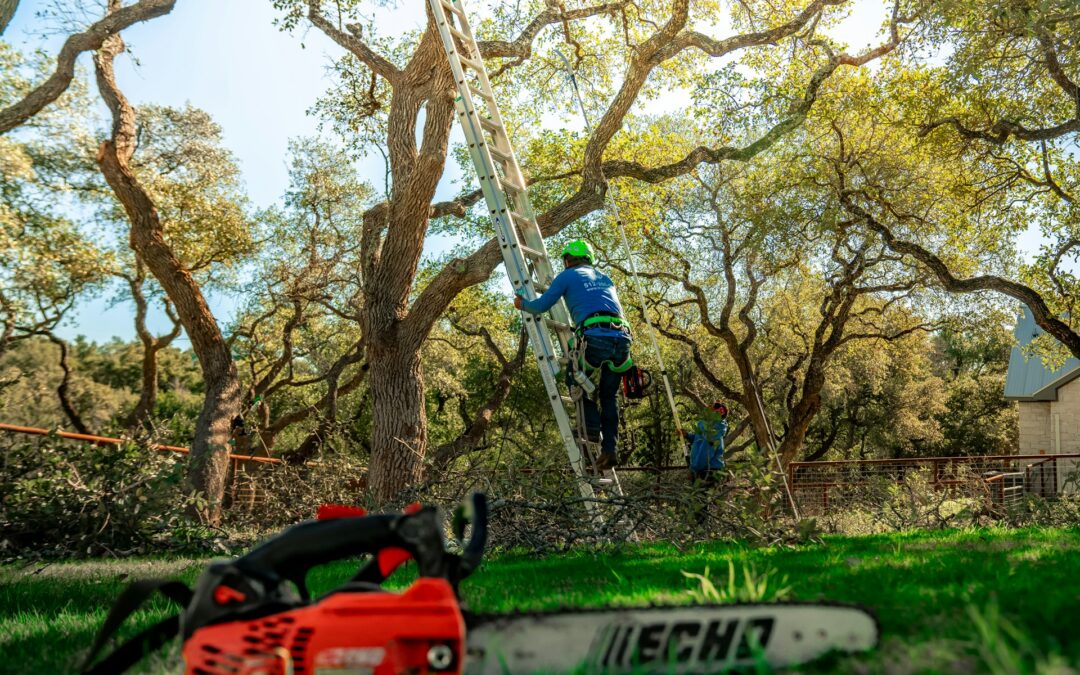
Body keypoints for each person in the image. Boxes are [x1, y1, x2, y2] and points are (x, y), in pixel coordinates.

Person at [514, 239, 631, 471]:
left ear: (567, 260)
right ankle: (610, 449)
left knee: (574, 379)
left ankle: (590, 428)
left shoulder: (567, 276)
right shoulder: (605, 278)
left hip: (595, 337)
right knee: (609, 397)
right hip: (622, 340)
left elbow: (541, 306)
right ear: (589, 259)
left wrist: (522, 304)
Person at [683, 401, 729, 487]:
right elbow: (699, 440)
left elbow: (705, 454)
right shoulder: (706, 427)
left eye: (711, 408)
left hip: (710, 472)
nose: (708, 408)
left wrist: (693, 469)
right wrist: (687, 435)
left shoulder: (713, 432)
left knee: (704, 495)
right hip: (704, 469)